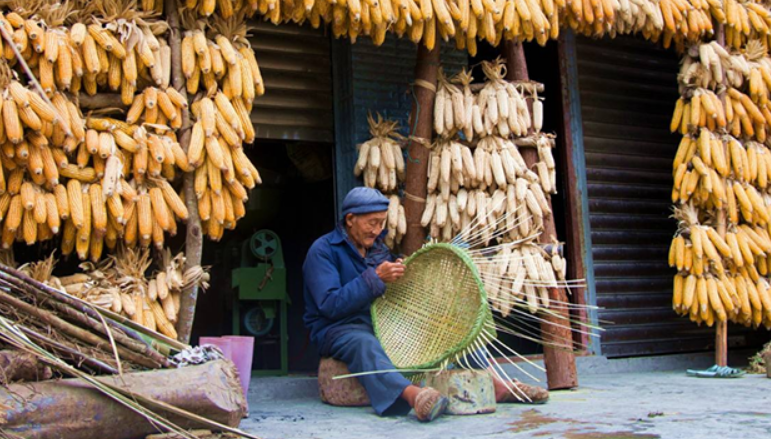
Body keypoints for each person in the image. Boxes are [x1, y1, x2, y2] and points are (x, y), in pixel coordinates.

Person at [303, 187, 548, 422]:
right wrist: (375, 278)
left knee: (449, 326)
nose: (377, 230)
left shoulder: (377, 250)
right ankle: (414, 396)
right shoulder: (323, 251)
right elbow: (329, 305)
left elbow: (391, 292)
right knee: (363, 343)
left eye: (381, 223)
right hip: (338, 328)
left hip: (379, 321)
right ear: (350, 219)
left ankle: (498, 385)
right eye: (371, 223)